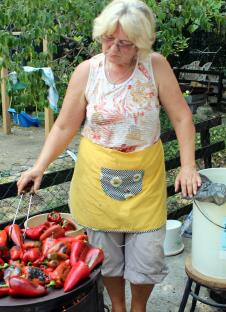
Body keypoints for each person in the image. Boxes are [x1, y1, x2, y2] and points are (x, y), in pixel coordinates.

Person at [17, 0, 201, 311]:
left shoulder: (155, 66)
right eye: (107, 39)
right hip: (96, 175)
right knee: (107, 255)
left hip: (145, 175)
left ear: (140, 43)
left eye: (124, 43)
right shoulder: (87, 71)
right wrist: (39, 166)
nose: (113, 48)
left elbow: (182, 118)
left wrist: (188, 166)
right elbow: (64, 126)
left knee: (147, 253)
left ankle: (138, 307)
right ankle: (117, 306)